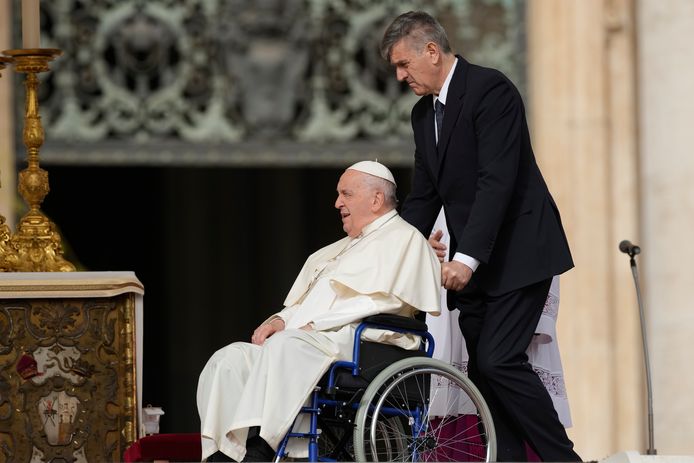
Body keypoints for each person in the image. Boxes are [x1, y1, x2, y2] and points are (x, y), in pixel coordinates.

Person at [380, 11, 581, 462]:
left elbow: (497, 181)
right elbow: (424, 197)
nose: (399, 76)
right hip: (473, 269)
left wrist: (465, 260)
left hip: (518, 253)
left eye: (403, 64)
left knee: (497, 360)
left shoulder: (490, 89)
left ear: (431, 51)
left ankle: (564, 458)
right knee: (485, 378)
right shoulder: (422, 115)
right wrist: (393, 247)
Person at [196, 161, 441, 462]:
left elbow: (383, 303)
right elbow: (304, 300)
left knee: (289, 347)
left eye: (346, 194)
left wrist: (315, 324)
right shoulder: (337, 248)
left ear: (376, 199)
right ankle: (222, 455)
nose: (337, 203)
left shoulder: (406, 239)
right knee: (230, 358)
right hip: (307, 340)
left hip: (360, 344)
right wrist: (280, 319)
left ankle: (262, 449)